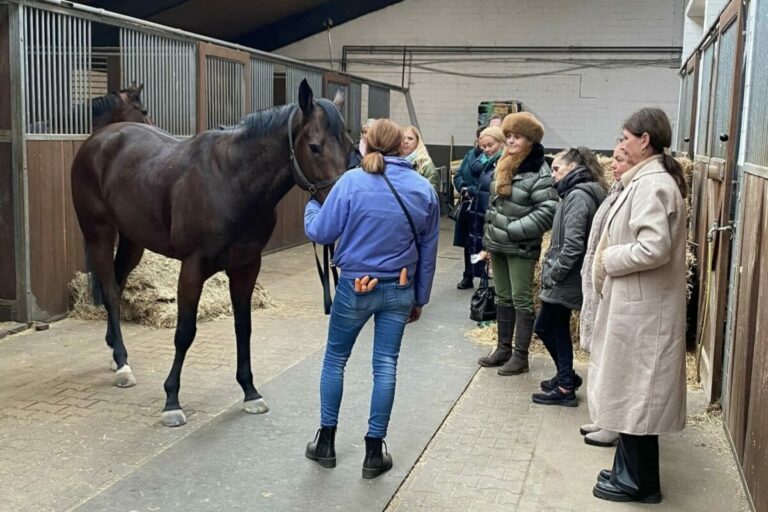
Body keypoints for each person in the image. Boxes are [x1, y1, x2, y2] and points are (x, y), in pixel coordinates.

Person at [303, 118, 440, 479]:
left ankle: (326, 442)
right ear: (401, 147)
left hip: (355, 287)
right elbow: (428, 250)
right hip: (399, 287)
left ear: (367, 145)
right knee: (386, 365)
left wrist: (311, 207)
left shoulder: (351, 183)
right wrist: (419, 299)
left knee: (335, 360)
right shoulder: (423, 189)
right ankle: (374, 450)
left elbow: (320, 231)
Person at [589, 107, 688, 503]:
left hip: (644, 308)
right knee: (631, 392)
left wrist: (610, 259)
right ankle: (627, 471)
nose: (620, 144)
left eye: (624, 137)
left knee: (638, 394)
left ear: (644, 140)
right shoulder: (646, 181)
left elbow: (654, 247)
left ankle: (641, 483)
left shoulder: (652, 184)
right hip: (638, 304)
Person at [479, 112, 557, 372]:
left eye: (518, 137)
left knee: (520, 298)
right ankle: (503, 348)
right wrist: (489, 237)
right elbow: (494, 206)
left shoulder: (538, 171)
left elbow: (548, 210)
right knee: (502, 297)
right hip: (498, 243)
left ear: (531, 141)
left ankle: (520, 356)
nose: (511, 141)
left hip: (519, 246)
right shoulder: (504, 163)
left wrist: (513, 230)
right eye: (509, 136)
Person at [530, 147, 607, 407]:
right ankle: (566, 378)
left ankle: (565, 385)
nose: (553, 174)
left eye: (557, 169)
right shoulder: (580, 192)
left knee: (545, 326)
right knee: (557, 326)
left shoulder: (577, 196)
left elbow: (573, 244)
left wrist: (554, 273)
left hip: (566, 277)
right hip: (568, 275)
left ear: (573, 168)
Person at [578, 145, 632, 447]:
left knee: (612, 361)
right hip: (599, 281)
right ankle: (602, 417)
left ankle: (612, 423)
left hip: (612, 281)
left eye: (621, 160)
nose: (614, 165)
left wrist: (607, 263)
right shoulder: (615, 190)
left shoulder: (632, 193)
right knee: (600, 357)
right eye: (613, 160)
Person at [453, 127, 488, 289]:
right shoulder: (470, 154)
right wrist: (463, 189)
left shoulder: (494, 158)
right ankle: (468, 274)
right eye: (481, 137)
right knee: (468, 242)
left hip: (483, 205)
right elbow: (459, 174)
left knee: (483, 242)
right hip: (468, 205)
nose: (483, 141)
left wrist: (472, 190)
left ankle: (483, 277)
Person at [401, 125, 440, 195]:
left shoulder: (426, 165)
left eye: (410, 138)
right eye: (403, 138)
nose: (406, 141)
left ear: (417, 142)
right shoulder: (396, 162)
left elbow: (431, 195)